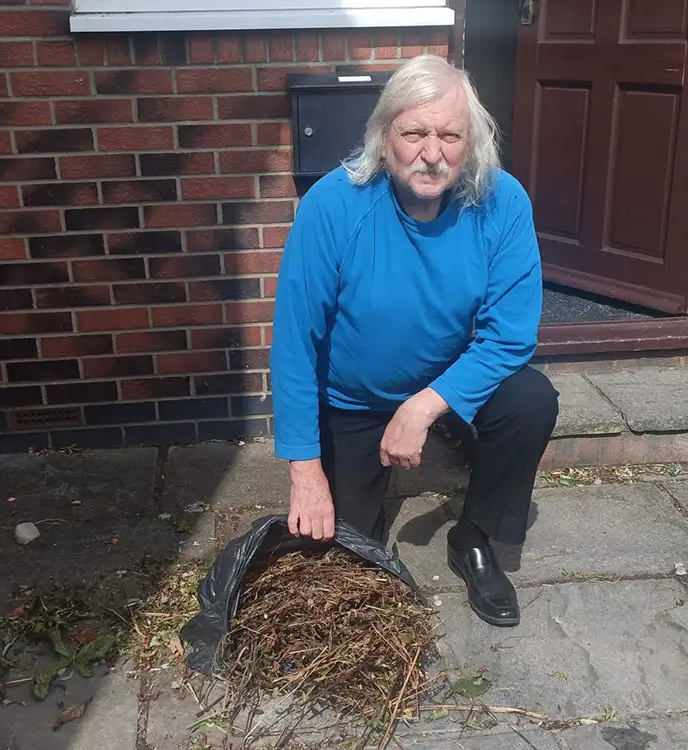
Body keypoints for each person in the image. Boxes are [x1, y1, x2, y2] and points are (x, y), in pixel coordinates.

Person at [269, 54, 559, 628]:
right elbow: (294, 342)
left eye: (450, 135)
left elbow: (510, 336)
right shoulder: (333, 204)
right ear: (383, 137)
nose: (432, 153)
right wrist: (305, 473)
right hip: (352, 396)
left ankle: (474, 538)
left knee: (531, 400)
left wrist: (424, 406)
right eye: (414, 133)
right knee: (344, 556)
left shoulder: (502, 202)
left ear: (471, 142)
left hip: (438, 381)